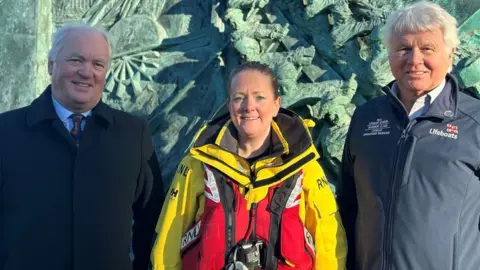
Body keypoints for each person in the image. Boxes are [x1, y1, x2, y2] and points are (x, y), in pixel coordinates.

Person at [150, 61, 347, 270]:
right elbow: (169, 236)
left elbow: (329, 240)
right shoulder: (198, 162)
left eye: (259, 97)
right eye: (239, 98)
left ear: (276, 105)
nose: (248, 106)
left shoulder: (304, 166)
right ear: (229, 106)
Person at [0, 23, 164, 270]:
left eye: (98, 64)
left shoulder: (134, 134)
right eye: (76, 60)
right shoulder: (6, 131)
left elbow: (152, 221)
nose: (87, 72)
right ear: (51, 65)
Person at [338, 1, 480, 269]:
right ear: (389, 55)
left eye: (428, 48)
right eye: (403, 48)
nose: (414, 60)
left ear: (450, 54)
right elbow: (348, 204)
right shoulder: (366, 118)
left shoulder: (475, 123)